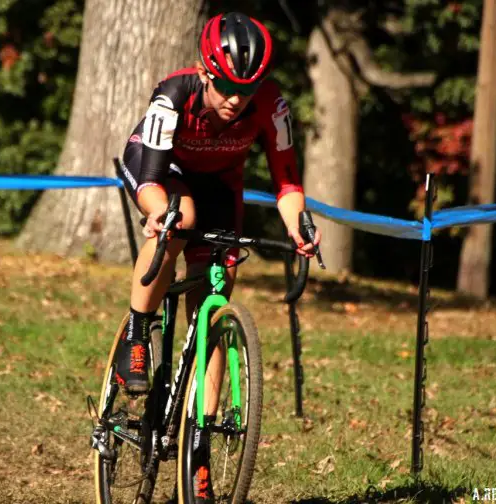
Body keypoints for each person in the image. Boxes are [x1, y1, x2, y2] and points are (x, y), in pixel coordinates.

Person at [114, 12, 321, 502]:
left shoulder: (272, 108)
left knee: (215, 293)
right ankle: (137, 331)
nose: (235, 98)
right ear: (206, 73)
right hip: (160, 168)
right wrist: (157, 213)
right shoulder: (174, 95)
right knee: (179, 219)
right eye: (226, 85)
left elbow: (287, 181)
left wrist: (299, 225)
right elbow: (148, 181)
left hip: (221, 183)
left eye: (246, 89)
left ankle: (198, 446)